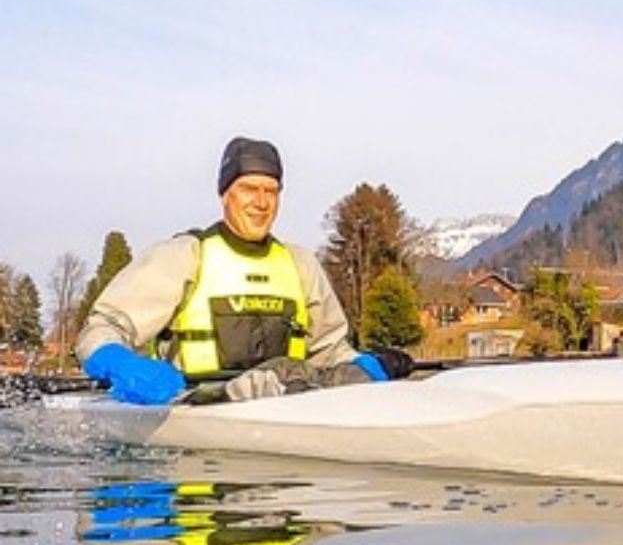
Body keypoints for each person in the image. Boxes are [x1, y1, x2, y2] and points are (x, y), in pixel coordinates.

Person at [76, 136, 407, 403]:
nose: (261, 202)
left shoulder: (301, 265)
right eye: (249, 189)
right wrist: (120, 363)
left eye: (271, 191)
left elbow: (330, 352)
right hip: (196, 407)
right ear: (225, 195)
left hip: (285, 406)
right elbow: (100, 330)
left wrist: (363, 365)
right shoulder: (183, 256)